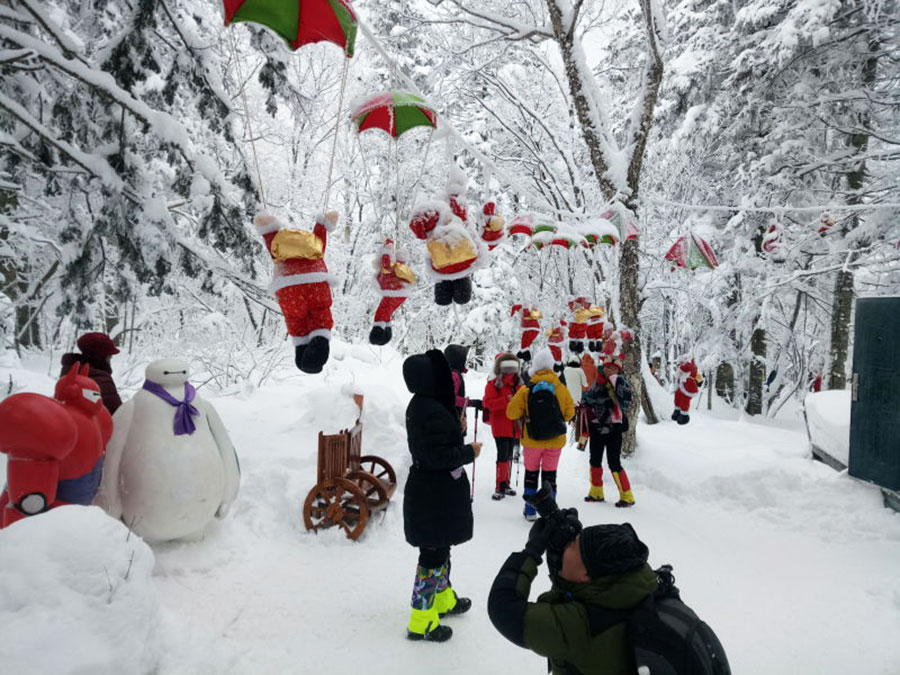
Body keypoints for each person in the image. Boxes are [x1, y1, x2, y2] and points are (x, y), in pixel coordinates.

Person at [487, 495, 658, 674]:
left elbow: (503, 608)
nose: (566, 547)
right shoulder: (636, 587)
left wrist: (532, 551)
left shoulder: (579, 626)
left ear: (586, 574)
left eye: (573, 546)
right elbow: (579, 590)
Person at [402, 349, 481, 642]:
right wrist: (468, 452)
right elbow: (437, 456)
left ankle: (443, 599)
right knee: (432, 555)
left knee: (441, 548)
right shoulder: (428, 409)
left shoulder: (425, 404)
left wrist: (456, 430)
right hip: (432, 494)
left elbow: (435, 445)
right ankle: (421, 620)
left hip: (436, 493)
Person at [506, 348, 575, 520]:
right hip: (555, 441)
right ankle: (550, 512)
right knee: (550, 476)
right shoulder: (561, 388)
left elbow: (511, 413)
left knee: (531, 475)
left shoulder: (526, 389)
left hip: (532, 440)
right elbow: (569, 414)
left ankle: (530, 510)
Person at [581, 353, 635, 507]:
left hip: (614, 428)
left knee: (614, 462)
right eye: (607, 367)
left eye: (613, 368)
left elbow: (625, 399)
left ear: (618, 370)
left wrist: (614, 379)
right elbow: (587, 397)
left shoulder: (621, 381)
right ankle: (596, 492)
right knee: (594, 460)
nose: (610, 370)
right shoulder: (596, 382)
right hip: (596, 427)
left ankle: (627, 496)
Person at [483, 352, 525, 500]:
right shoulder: (494, 385)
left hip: (514, 426)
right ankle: (500, 485)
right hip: (501, 425)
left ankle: (505, 484)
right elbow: (488, 403)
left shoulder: (519, 385)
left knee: (508, 455)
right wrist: (506, 400)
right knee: (503, 454)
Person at [60, 332, 123, 415]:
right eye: (109, 355)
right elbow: (118, 415)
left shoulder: (69, 372)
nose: (111, 357)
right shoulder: (102, 380)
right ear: (101, 356)